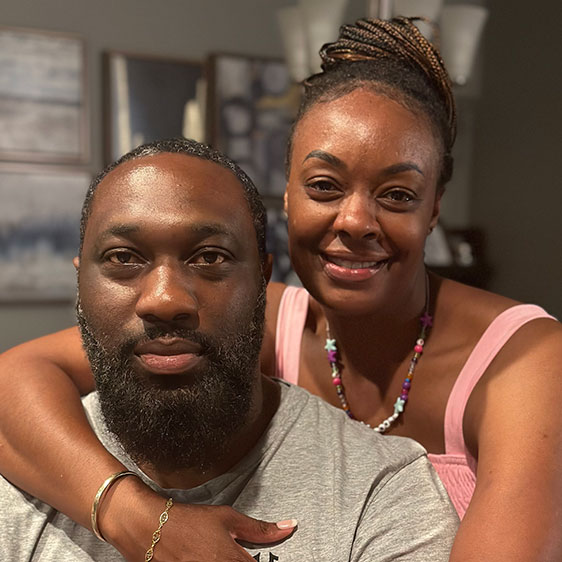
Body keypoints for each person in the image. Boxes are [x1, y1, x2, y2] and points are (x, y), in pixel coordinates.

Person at [0, 15, 561, 561]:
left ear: (434, 208)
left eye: (396, 194)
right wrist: (141, 519)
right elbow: (14, 383)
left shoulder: (528, 362)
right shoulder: (257, 315)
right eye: (324, 186)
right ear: (287, 196)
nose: (356, 221)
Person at [0, 138, 458, 561]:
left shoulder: (384, 495)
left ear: (263, 280)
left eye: (210, 257)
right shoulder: (18, 478)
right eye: (123, 257)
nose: (165, 299)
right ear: (80, 282)